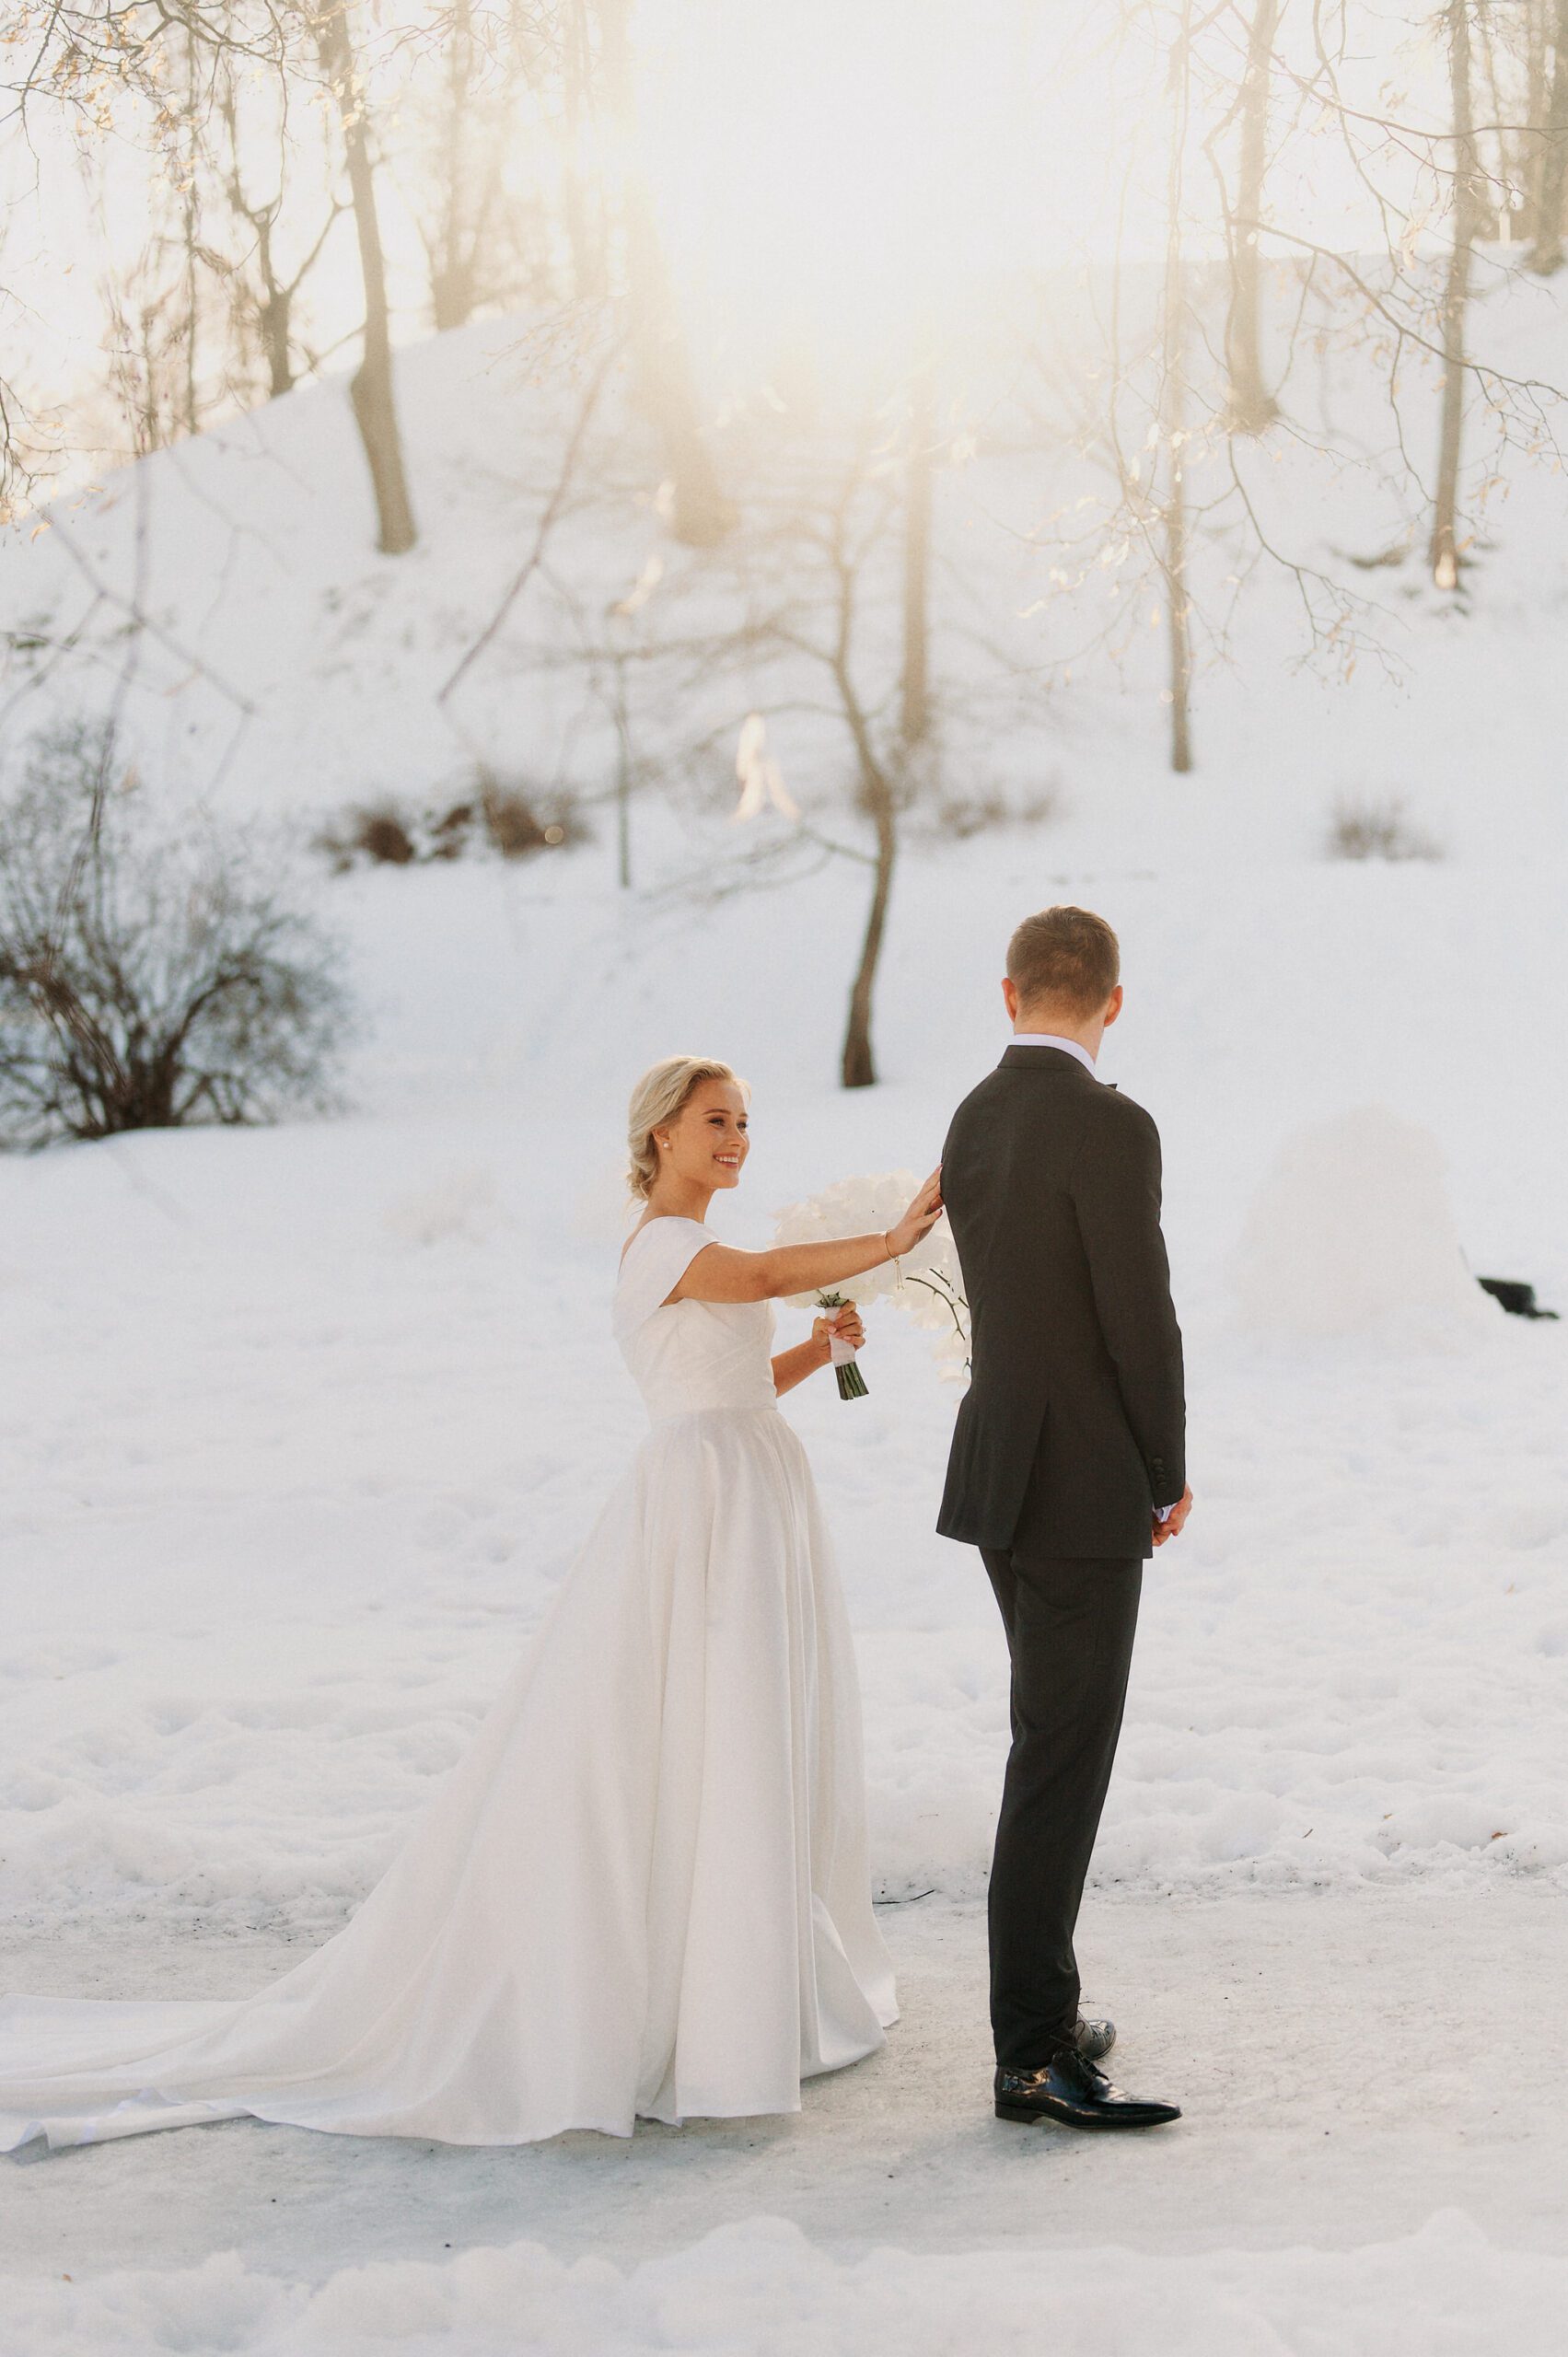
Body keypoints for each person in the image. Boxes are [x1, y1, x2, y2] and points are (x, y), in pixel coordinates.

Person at [0, 1056, 943, 2154]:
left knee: (733, 1730)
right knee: (699, 1728)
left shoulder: (699, 1249)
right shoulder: (664, 1244)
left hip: (749, 1485)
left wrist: (815, 1351)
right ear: (662, 1134)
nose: (736, 1136)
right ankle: (680, 2004)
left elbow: (730, 1381)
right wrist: (889, 1241)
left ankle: (729, 1990)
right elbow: (768, 1272)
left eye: (744, 1121)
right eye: (715, 1120)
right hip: (702, 1505)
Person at [938, 906, 1191, 2131]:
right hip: (1079, 1482)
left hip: (1000, 1471)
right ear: (1112, 999)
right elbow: (1136, 1313)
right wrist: (1163, 1468)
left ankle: (1043, 2009)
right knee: (1056, 1759)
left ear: (1008, 994)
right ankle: (1031, 2054)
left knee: (1046, 1743)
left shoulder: (972, 1114)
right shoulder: (1108, 1123)